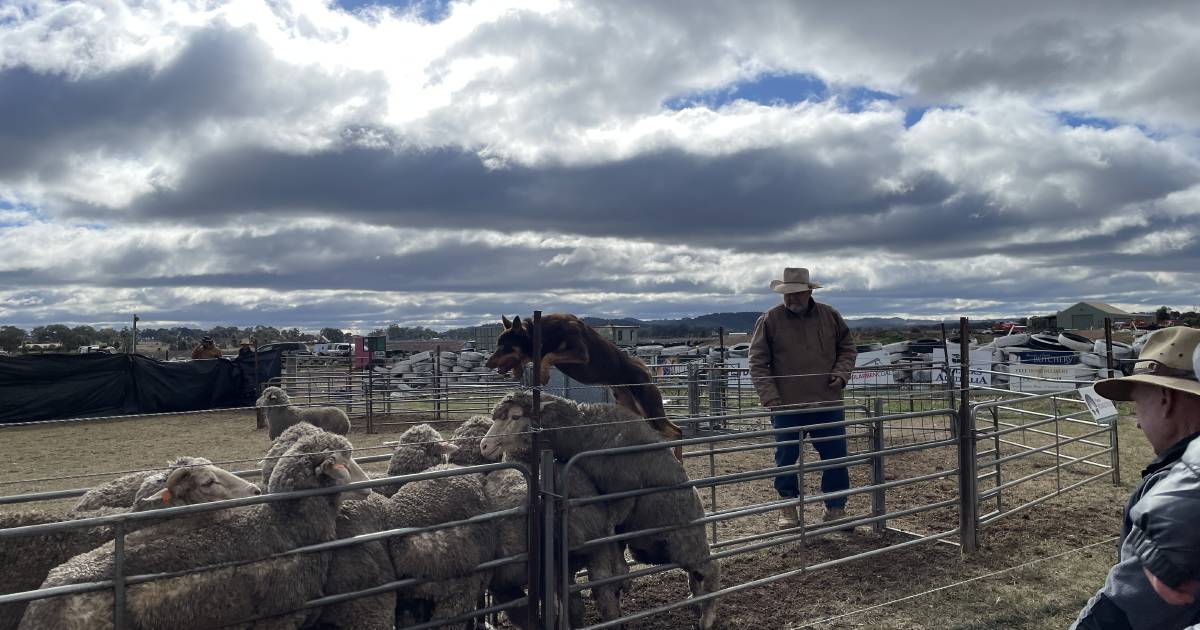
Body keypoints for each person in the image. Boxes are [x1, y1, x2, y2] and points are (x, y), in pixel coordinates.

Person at [1072, 326, 1200, 629]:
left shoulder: (1180, 491)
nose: (1138, 424)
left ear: (1165, 398)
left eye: (1138, 404)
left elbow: (1131, 608)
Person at [749, 267, 857, 529]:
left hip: (826, 401)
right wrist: (770, 396)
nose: (790, 299)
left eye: (796, 293)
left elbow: (847, 348)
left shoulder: (830, 316)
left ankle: (835, 509)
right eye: (786, 294)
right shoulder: (770, 320)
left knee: (835, 457)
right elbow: (757, 361)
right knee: (785, 457)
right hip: (787, 405)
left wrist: (841, 374)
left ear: (809, 291)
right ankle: (787, 507)